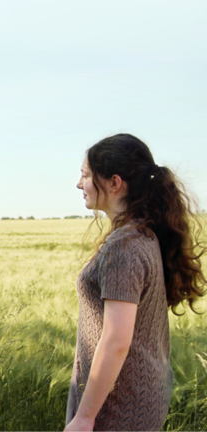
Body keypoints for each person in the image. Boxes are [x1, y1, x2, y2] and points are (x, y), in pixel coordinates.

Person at [65, 133, 206, 432]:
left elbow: (116, 340)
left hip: (116, 404)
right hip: (137, 396)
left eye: (86, 175)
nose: (79, 184)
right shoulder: (144, 235)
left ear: (114, 183)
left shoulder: (123, 246)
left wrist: (85, 417)